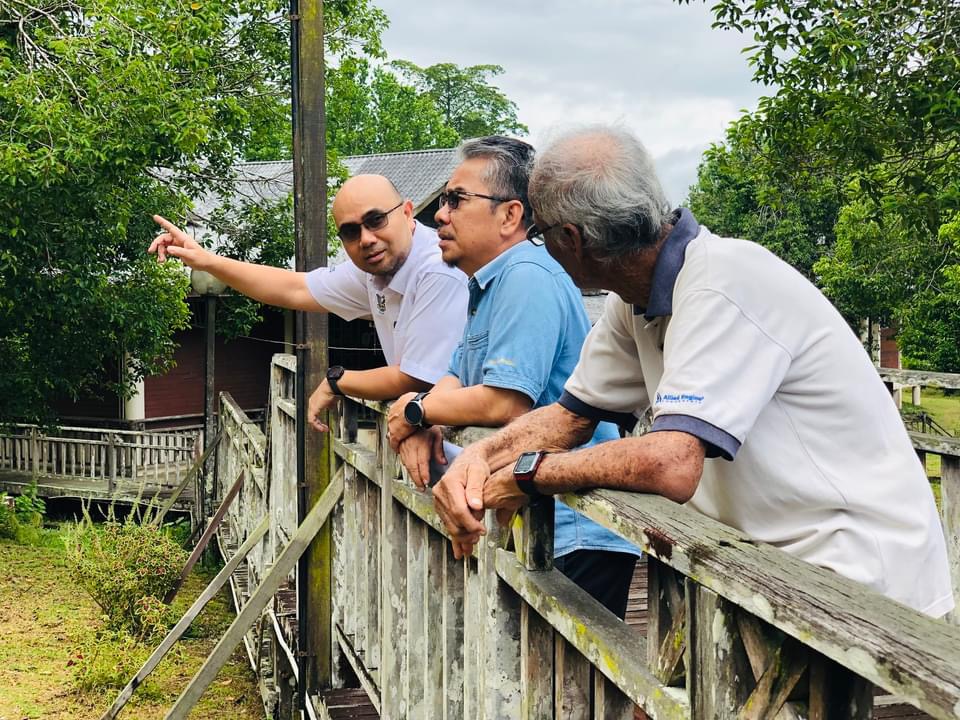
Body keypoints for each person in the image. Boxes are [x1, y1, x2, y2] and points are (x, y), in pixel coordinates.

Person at [432, 125, 954, 618]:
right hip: (767, 565)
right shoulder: (634, 298)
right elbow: (569, 417)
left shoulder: (722, 281)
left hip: (855, 574)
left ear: (572, 239)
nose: (540, 247)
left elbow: (670, 463)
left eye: (540, 234)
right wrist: (479, 459)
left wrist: (530, 475)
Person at [385, 136, 640, 619]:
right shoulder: (488, 283)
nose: (440, 215)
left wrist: (414, 410)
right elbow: (454, 377)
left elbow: (506, 401)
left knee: (563, 671)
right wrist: (423, 416)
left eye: (456, 199)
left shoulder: (527, 275)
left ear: (509, 215)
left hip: (573, 528)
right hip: (536, 522)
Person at [149, 174, 469, 431]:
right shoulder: (376, 270)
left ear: (407, 212)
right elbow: (295, 289)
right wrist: (206, 260)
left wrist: (337, 381)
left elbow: (418, 376)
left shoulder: (438, 270)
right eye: (351, 232)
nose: (366, 239)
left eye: (376, 220)